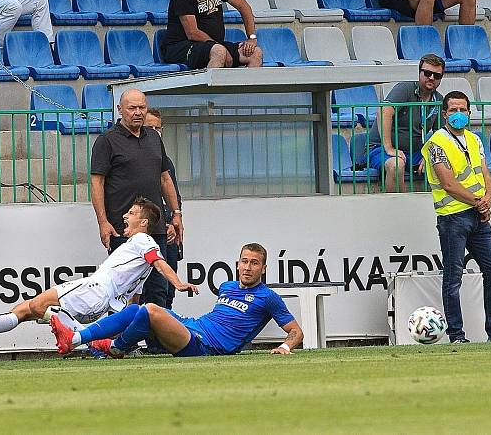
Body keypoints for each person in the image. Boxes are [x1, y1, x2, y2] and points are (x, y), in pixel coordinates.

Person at [0, 198, 199, 342]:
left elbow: (160, 262)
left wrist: (178, 283)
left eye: (130, 213)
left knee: (37, 306)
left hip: (95, 289)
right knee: (24, 310)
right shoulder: (138, 259)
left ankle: (73, 334)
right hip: (103, 302)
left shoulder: (143, 241)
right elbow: (133, 300)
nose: (125, 216)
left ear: (143, 222)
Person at [51, 243, 304, 357]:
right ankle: (75, 339)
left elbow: (296, 332)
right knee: (138, 310)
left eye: (254, 263)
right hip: (192, 326)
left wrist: (284, 347)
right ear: (237, 264)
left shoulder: (268, 297)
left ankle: (116, 347)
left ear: (264, 268)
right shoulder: (226, 286)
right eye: (244, 262)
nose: (248, 267)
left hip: (204, 346)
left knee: (150, 310)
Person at [420, 91, 491, 343]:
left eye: (462, 110)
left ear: (470, 112)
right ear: (444, 113)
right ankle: (457, 335)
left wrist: (487, 201)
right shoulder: (437, 143)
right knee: (454, 277)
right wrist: (479, 203)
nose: (458, 114)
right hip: (453, 216)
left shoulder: (474, 139)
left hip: (478, 216)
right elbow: (448, 184)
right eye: (453, 110)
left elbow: (485, 174)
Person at [90, 89, 182, 317]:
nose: (138, 112)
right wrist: (103, 222)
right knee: (120, 289)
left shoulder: (153, 138)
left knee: (158, 288)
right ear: (120, 110)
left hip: (156, 227)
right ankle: (117, 343)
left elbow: (165, 178)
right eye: (132, 108)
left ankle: (157, 343)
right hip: (124, 229)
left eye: (142, 107)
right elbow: (96, 184)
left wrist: (176, 213)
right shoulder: (106, 141)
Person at [367, 54, 445, 192]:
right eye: (427, 73)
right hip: (381, 149)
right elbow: (384, 111)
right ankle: (399, 209)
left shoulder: (438, 100)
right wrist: (389, 148)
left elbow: (441, 134)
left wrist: (429, 154)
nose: (431, 78)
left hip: (415, 152)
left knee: (444, 162)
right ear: (419, 73)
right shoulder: (405, 88)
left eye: (437, 75)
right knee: (396, 165)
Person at [163, 0, 263, 69]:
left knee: (255, 53)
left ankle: (245, 88)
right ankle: (209, 89)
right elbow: (192, 33)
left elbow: (244, 7)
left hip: (213, 44)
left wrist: (252, 38)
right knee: (219, 52)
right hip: (181, 47)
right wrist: (221, 48)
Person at [145, 108, 183, 310]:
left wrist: (175, 221)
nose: (153, 132)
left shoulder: (166, 161)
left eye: (156, 128)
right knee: (147, 289)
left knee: (168, 288)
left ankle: (167, 332)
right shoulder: (139, 161)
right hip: (151, 234)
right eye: (148, 128)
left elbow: (174, 196)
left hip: (169, 232)